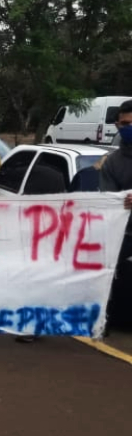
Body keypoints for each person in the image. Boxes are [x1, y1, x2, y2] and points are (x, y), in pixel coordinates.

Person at [100, 99, 132, 329]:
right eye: (125, 123)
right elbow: (108, 198)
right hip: (124, 234)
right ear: (117, 125)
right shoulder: (112, 162)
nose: (129, 127)